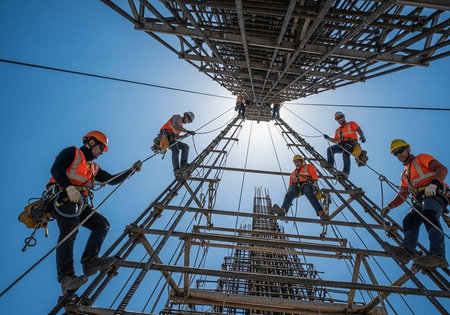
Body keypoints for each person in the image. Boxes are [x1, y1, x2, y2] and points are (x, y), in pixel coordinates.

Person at [47, 130, 142, 294]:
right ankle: (66, 277)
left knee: (102, 224)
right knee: (70, 229)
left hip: (78, 202)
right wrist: (69, 188)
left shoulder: (93, 168)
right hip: (63, 196)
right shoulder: (73, 152)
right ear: (91, 142)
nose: (101, 152)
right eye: (101, 147)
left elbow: (111, 179)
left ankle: (89, 261)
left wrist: (131, 171)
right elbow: (56, 169)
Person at [381, 139, 448, 268]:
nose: (399, 154)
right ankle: (406, 252)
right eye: (396, 153)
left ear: (408, 149)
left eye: (401, 150)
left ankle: (438, 256)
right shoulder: (405, 174)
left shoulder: (421, 158)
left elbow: (441, 169)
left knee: (429, 214)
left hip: (435, 192)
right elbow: (404, 193)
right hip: (420, 198)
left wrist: (434, 184)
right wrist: (390, 206)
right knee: (409, 220)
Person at [272, 155, 330, 221]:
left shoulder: (308, 166)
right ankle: (282, 211)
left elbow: (314, 174)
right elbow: (290, 184)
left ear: (302, 161)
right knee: (289, 194)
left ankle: (321, 214)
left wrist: (315, 183)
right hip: (296, 186)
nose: (296, 163)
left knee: (309, 193)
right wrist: (289, 192)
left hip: (306, 183)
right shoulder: (293, 173)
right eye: (295, 162)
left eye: (298, 161)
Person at [323, 111, 366, 177]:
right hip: (341, 144)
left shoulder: (351, 123)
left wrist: (362, 136)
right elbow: (335, 140)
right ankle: (330, 164)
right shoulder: (337, 130)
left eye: (341, 117)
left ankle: (345, 173)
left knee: (345, 152)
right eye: (338, 118)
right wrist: (328, 138)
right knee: (330, 149)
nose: (340, 119)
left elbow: (358, 129)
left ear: (344, 117)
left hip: (350, 143)